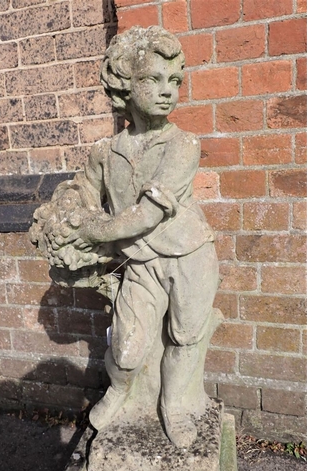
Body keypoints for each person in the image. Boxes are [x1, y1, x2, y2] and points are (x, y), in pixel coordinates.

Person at [64, 26, 220, 448]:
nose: (167, 91)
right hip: (141, 265)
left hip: (189, 258)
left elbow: (145, 216)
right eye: (153, 80)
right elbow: (81, 191)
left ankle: (174, 405)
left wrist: (93, 230)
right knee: (128, 349)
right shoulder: (105, 152)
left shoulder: (183, 145)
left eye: (174, 81)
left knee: (185, 336)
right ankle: (119, 388)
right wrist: (66, 212)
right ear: (124, 86)